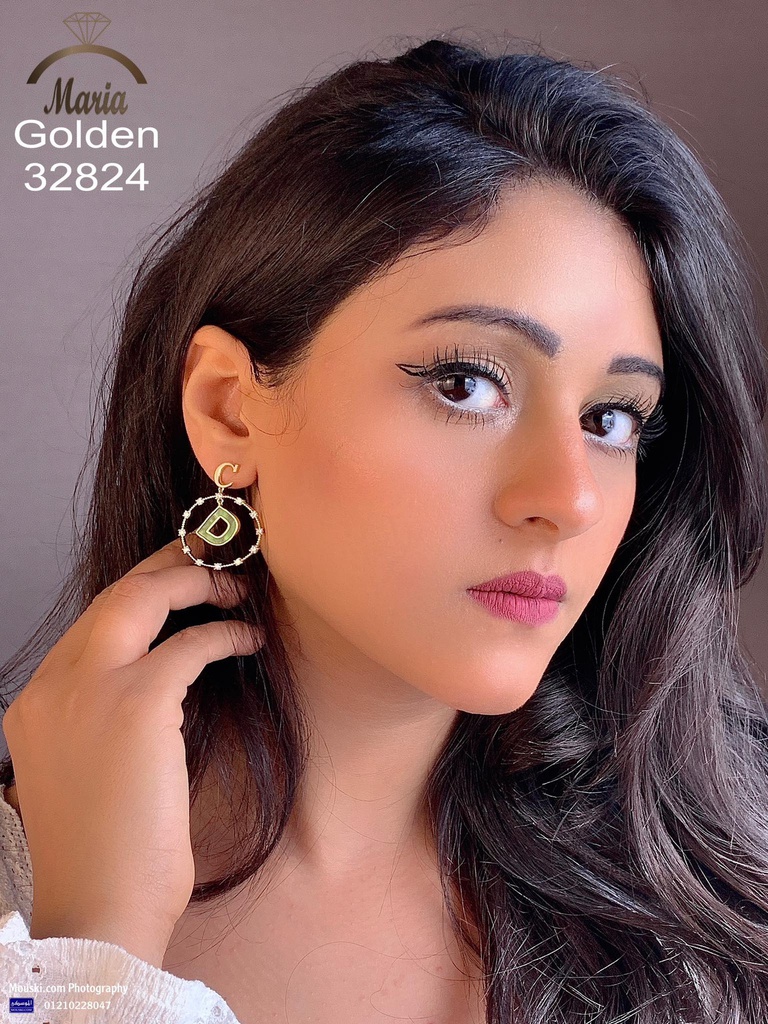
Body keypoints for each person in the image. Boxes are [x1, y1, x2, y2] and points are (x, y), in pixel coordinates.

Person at [1, 33, 767, 1024]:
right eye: (466, 383)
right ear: (230, 408)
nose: (569, 498)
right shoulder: (25, 900)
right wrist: (92, 949)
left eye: (611, 418)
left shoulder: (724, 900)